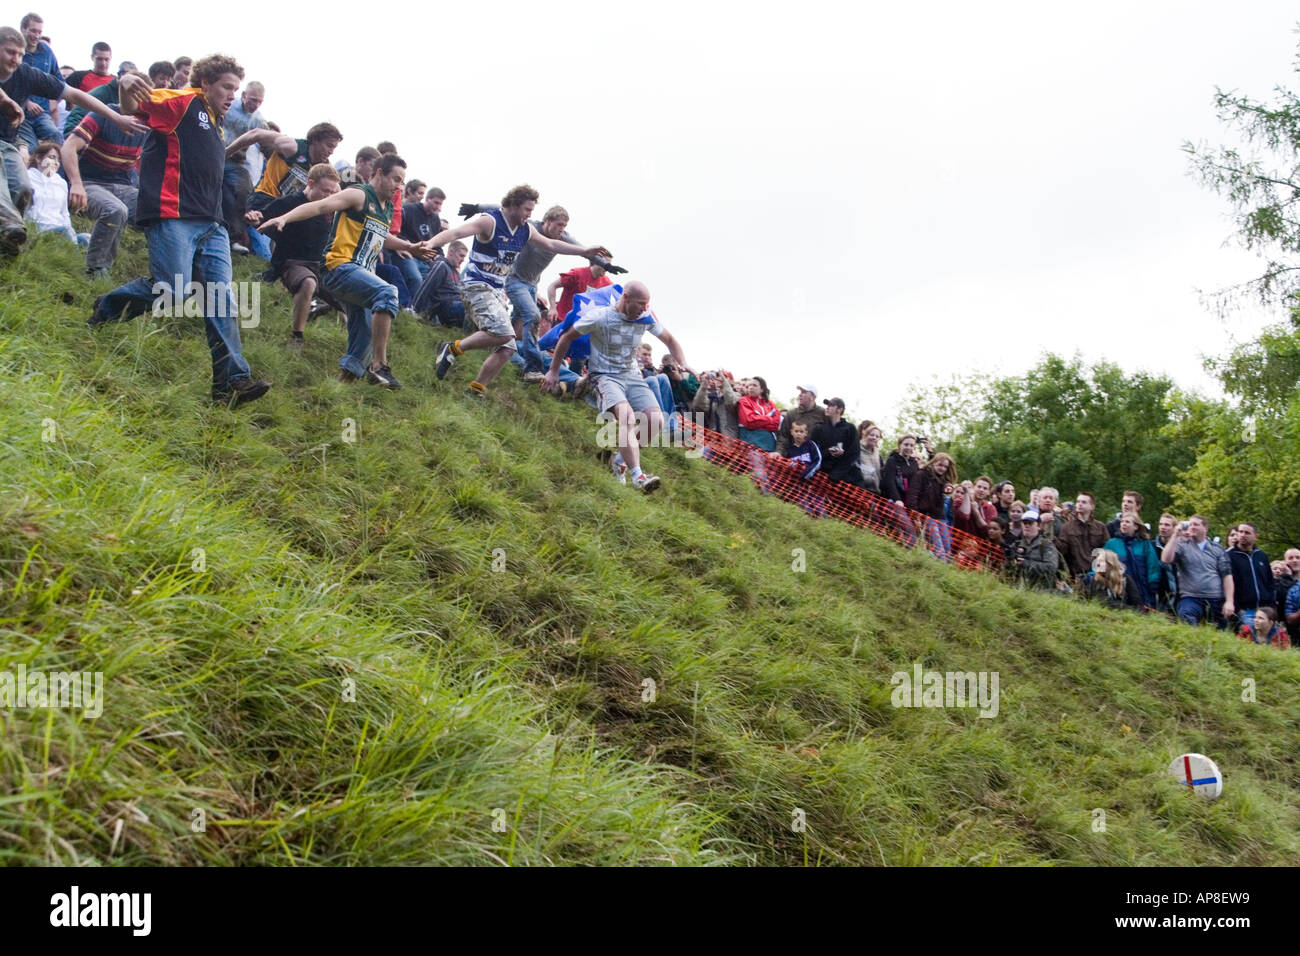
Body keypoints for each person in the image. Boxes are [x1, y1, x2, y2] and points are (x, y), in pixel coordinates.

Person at [89, 55, 271, 408]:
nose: (232, 95)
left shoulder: (217, 124)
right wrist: (127, 85)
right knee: (172, 291)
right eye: (226, 87)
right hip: (173, 214)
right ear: (205, 84)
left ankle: (231, 384)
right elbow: (136, 106)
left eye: (235, 89)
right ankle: (107, 307)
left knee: (221, 300)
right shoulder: (183, 102)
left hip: (212, 225)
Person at [260, 152, 433, 388]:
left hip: (361, 275)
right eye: (396, 179)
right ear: (379, 174)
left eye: (402, 181)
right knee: (388, 293)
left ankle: (338, 390)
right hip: (339, 268)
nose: (399, 186)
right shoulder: (358, 194)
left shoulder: (386, 207)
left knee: (362, 338)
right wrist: (285, 218)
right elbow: (321, 205)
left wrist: (410, 247)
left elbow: (382, 237)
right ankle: (380, 366)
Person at [432, 185, 615, 398]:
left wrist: (586, 252)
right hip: (477, 285)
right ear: (514, 206)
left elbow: (552, 245)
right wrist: (430, 243)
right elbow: (456, 232)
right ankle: (452, 348)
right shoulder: (490, 221)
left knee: (507, 347)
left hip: (501, 290)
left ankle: (475, 390)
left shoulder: (526, 230)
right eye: (527, 210)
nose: (529, 215)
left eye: (531, 211)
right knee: (507, 332)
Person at [540, 281, 692, 493]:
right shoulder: (600, 316)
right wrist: (554, 370)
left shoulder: (645, 317)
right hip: (604, 375)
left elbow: (670, 340)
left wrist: (683, 363)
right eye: (640, 303)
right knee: (627, 417)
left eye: (646, 304)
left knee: (655, 421)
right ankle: (638, 476)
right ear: (626, 297)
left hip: (632, 375)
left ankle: (618, 461)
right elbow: (566, 337)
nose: (644, 308)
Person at [247, 162, 340, 348]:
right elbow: (261, 217)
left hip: (322, 265)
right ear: (311, 183)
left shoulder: (332, 209)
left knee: (352, 296)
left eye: (332, 193)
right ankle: (297, 336)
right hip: (293, 263)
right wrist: (254, 217)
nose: (328, 197)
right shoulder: (288, 203)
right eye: (325, 191)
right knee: (308, 283)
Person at [61, 95, 147, 276]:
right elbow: (68, 147)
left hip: (124, 185)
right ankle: (96, 269)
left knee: (157, 209)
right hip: (89, 183)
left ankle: (157, 274)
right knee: (115, 210)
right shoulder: (103, 115)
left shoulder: (149, 123)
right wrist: (76, 184)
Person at [1160, 515, 1233, 628]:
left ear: (1206, 528)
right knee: (1186, 618)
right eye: (1190, 524)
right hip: (1191, 597)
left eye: (1196, 524)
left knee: (1220, 629)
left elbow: (1227, 576)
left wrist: (1229, 601)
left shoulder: (1217, 549)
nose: (1192, 527)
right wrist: (1175, 535)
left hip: (1215, 598)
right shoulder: (1182, 545)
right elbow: (1166, 559)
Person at [219, 79, 267, 252]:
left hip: (235, 161)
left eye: (259, 101)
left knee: (243, 190)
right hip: (213, 155)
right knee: (218, 190)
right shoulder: (228, 106)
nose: (256, 104)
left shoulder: (259, 121)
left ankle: (234, 238)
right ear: (244, 95)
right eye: (253, 99)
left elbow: (267, 145)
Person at [16, 13, 61, 151]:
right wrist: (27, 102)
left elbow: (58, 78)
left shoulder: (46, 51)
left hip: (42, 112)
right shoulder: (15, 53)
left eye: (39, 32)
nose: (36, 35)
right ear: (23, 29)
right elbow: (7, 84)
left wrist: (55, 99)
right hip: (20, 112)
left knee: (56, 137)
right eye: (33, 31)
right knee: (31, 147)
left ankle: (56, 173)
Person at [24, 140, 83, 243]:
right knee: (66, 233)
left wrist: (70, 230)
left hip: (63, 230)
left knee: (88, 239)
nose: (56, 163)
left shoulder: (61, 183)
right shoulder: (27, 177)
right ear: (38, 158)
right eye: (52, 158)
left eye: (58, 160)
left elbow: (64, 213)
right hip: (40, 230)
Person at [1103, 513, 1161, 607]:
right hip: (1122, 586)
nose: (1124, 524)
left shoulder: (1144, 544)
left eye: (1127, 522)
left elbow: (1153, 565)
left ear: (1136, 526)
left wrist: (1153, 582)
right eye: (1122, 522)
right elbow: (1102, 563)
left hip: (1143, 587)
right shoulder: (1111, 544)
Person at [907, 451, 956, 558]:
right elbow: (913, 495)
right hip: (925, 515)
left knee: (947, 545)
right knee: (938, 545)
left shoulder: (943, 480)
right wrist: (915, 514)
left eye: (945, 467)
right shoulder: (921, 475)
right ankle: (940, 563)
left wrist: (948, 488)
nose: (942, 468)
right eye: (940, 465)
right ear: (933, 463)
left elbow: (946, 485)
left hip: (939, 516)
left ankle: (947, 564)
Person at [1224, 522, 1274, 630]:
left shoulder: (1261, 555)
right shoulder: (1228, 556)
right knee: (1252, 635)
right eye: (1240, 532)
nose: (1242, 535)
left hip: (1264, 608)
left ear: (1255, 536)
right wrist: (1237, 609)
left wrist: (1272, 606)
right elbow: (1225, 582)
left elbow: (1270, 582)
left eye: (1247, 532)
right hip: (1244, 609)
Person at [412, 240, 467, 327]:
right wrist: (414, 309)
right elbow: (426, 287)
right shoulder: (441, 265)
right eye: (461, 256)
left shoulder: (456, 273)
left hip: (458, 305)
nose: (463, 260)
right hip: (447, 308)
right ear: (451, 252)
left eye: (464, 257)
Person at [1057, 492, 1111, 580]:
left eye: (1084, 502)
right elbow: (1062, 551)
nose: (1079, 504)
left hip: (1097, 575)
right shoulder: (1067, 527)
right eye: (1078, 502)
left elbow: (1107, 551)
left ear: (1092, 506)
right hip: (1075, 576)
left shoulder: (1100, 527)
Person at [774, 385, 828, 456]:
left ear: (813, 397)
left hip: (816, 457)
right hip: (794, 457)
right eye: (800, 392)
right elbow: (784, 437)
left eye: (804, 392)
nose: (800, 394)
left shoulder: (823, 413)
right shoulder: (791, 414)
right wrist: (779, 452)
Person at [737, 375, 780, 451]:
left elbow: (775, 425)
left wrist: (759, 421)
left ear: (762, 389)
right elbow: (749, 421)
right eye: (749, 385)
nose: (751, 387)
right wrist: (769, 419)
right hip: (751, 445)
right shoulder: (744, 400)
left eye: (754, 385)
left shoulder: (771, 404)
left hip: (770, 445)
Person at [691, 370, 739, 437]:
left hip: (730, 436)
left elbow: (731, 402)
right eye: (717, 376)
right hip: (713, 436)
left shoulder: (737, 395)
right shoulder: (712, 396)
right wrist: (703, 386)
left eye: (724, 376)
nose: (720, 378)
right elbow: (698, 406)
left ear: (731, 381)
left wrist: (725, 383)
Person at [952, 474, 997, 540]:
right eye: (979, 487)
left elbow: (987, 531)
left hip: (978, 545)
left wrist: (976, 511)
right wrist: (967, 494)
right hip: (958, 542)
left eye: (985, 488)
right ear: (973, 487)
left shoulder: (991, 509)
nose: (981, 490)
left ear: (989, 492)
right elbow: (963, 517)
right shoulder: (960, 500)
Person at [1154, 512, 1180, 614]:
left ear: (1174, 528)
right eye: (1161, 524)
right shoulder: (1152, 546)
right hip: (1159, 591)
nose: (1163, 527)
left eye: (1167, 525)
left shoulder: (1181, 547)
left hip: (1178, 591)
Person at [857, 422, 884, 493]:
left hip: (875, 492)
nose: (874, 438)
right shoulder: (856, 450)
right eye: (872, 435)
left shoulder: (878, 455)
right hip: (859, 490)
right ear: (865, 435)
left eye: (877, 436)